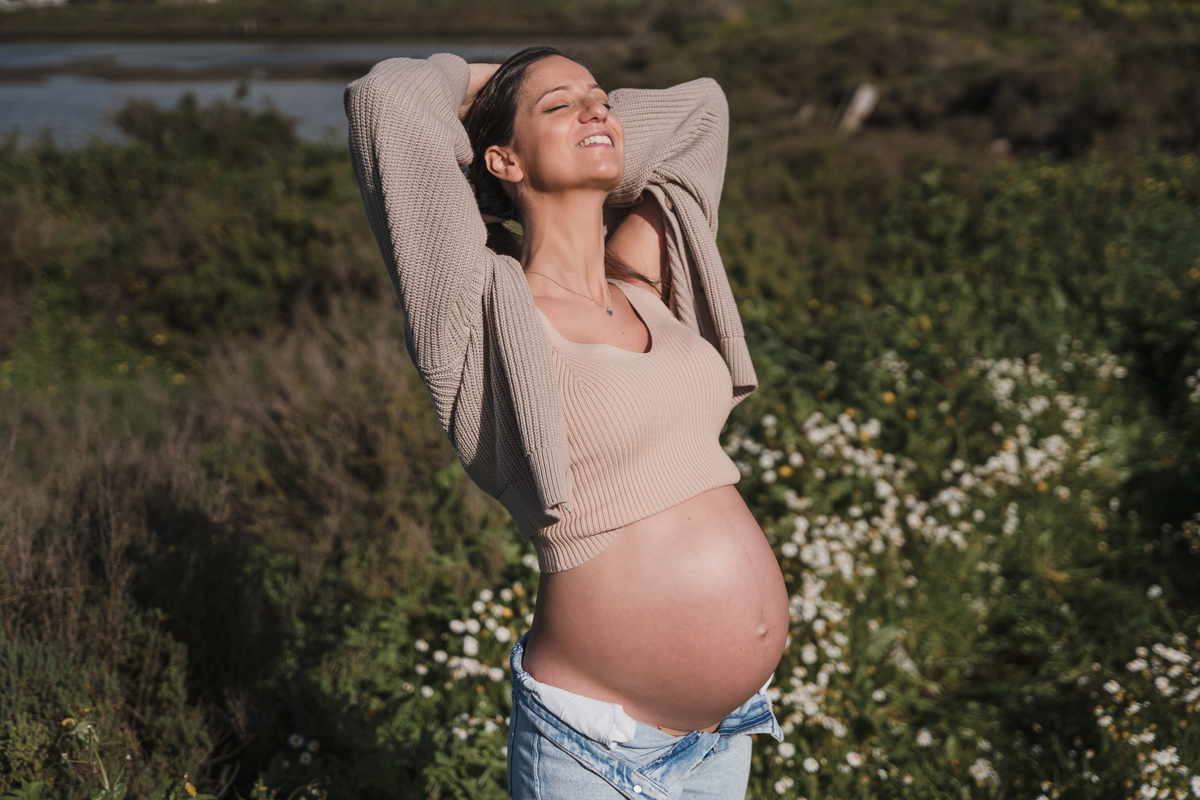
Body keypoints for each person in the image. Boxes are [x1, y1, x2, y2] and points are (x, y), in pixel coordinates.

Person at [344, 46, 789, 799]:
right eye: (561, 107)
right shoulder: (482, 312)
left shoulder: (645, 279)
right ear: (504, 161)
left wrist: (557, 98)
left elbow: (699, 110)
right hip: (594, 746)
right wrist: (490, 80)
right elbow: (387, 102)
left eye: (602, 97)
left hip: (724, 733)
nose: (598, 109)